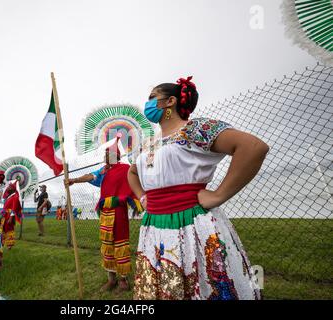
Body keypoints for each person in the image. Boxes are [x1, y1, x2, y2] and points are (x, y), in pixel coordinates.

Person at [128, 76, 268, 300]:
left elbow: (252, 147)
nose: (148, 103)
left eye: (152, 97)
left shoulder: (195, 129)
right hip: (153, 225)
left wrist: (219, 195)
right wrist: (143, 198)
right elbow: (132, 172)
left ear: (170, 101)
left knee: (204, 285)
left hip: (192, 223)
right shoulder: (148, 143)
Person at [65, 142, 143, 293]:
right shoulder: (103, 171)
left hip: (119, 212)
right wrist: (74, 180)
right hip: (105, 213)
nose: (106, 157)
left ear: (117, 156)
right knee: (107, 245)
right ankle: (111, 279)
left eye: (109, 154)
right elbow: (90, 176)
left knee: (120, 244)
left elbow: (135, 182)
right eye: (105, 155)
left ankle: (123, 281)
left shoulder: (126, 169)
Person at [0, 181, 22, 249]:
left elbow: (14, 208)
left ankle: (10, 244)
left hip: (9, 215)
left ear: (13, 189)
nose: (7, 188)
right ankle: (2, 242)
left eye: (9, 187)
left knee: (9, 229)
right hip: (5, 215)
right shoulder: (9, 197)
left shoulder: (15, 196)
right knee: (3, 228)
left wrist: (11, 218)